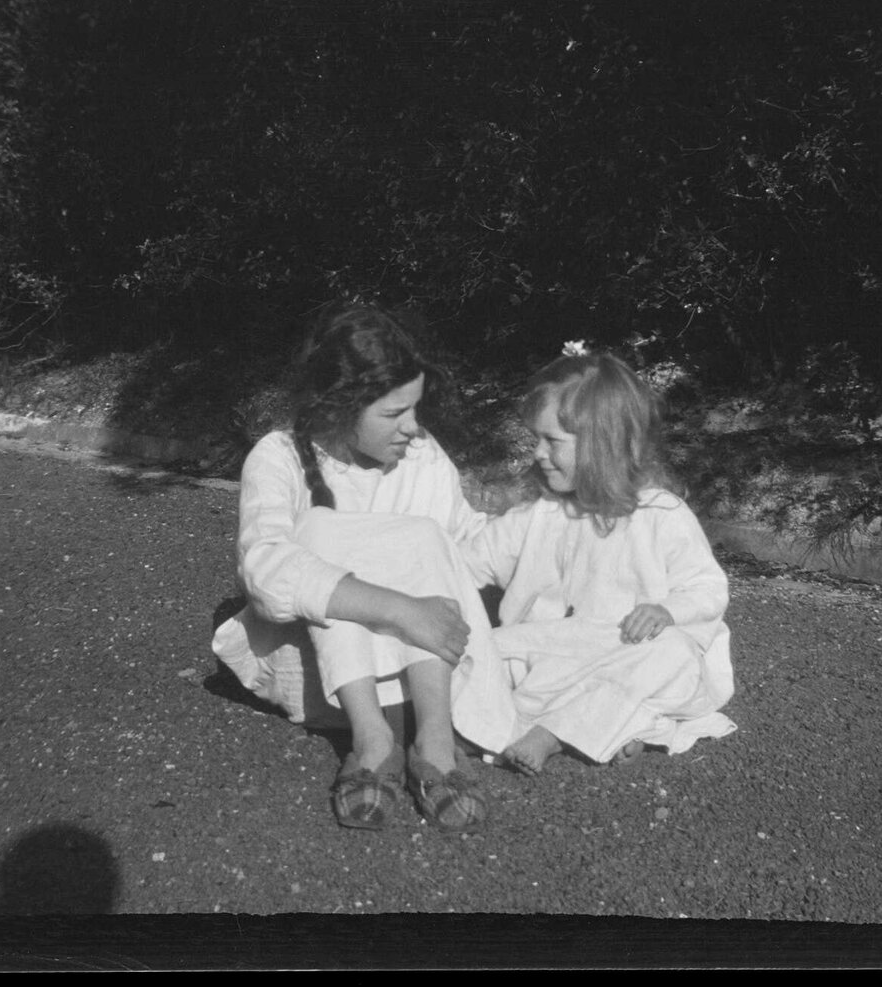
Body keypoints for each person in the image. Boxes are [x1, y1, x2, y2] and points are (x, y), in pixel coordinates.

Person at [210, 304, 516, 831]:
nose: (413, 428)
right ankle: (374, 739)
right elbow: (264, 572)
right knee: (318, 532)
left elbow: (467, 545)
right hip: (326, 678)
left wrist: (559, 525)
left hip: (426, 679)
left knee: (424, 533)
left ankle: (434, 742)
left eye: (414, 410)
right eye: (394, 414)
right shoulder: (279, 455)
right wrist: (401, 611)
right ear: (338, 406)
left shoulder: (422, 457)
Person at [462, 349, 736, 774]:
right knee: (478, 649)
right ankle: (623, 726)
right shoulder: (540, 514)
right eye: (535, 438)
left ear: (603, 445)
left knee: (674, 656)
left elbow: (707, 588)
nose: (536, 452)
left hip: (624, 650)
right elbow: (467, 562)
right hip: (550, 651)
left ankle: (550, 733)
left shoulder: (660, 514)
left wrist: (667, 610)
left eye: (552, 441)